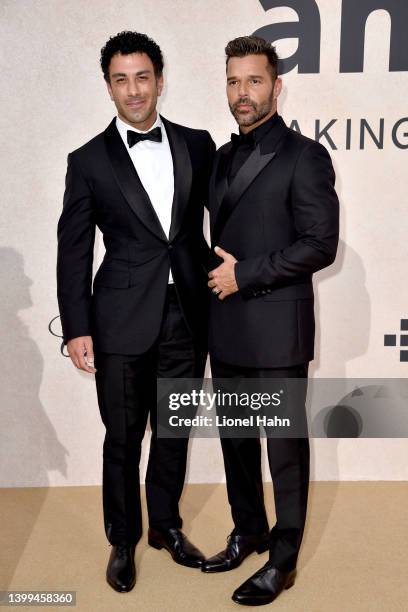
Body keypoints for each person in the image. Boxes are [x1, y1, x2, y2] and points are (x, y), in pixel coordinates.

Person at [56, 30, 215, 593]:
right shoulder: (88, 160)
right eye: (120, 80)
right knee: (123, 437)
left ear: (160, 81)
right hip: (119, 319)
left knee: (173, 431)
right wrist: (76, 327)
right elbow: (73, 249)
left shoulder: (198, 144)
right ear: (108, 87)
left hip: (187, 316)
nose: (133, 90)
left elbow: (216, 222)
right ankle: (123, 540)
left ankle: (165, 527)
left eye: (142, 77)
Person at [202, 35, 339, 606]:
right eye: (234, 81)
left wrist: (247, 273)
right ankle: (249, 530)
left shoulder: (305, 156)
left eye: (254, 81)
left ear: (276, 86)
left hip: (278, 332)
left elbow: (320, 244)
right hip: (226, 327)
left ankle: (283, 561)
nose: (243, 92)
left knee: (283, 450)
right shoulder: (219, 157)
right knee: (236, 442)